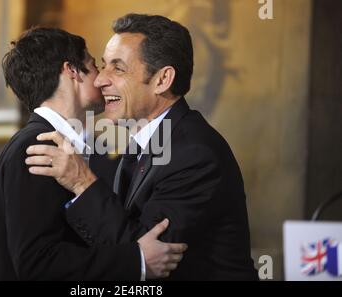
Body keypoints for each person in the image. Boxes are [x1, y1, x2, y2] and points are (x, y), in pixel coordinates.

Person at [26, 14, 258, 280]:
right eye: (102, 66)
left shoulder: (194, 154)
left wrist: (81, 181)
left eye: (118, 68)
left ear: (162, 80)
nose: (101, 80)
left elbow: (148, 257)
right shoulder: (149, 142)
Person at [0, 27, 187, 281]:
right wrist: (137, 260)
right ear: (71, 71)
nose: (102, 79)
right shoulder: (38, 146)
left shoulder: (51, 143)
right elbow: (36, 263)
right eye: (94, 66)